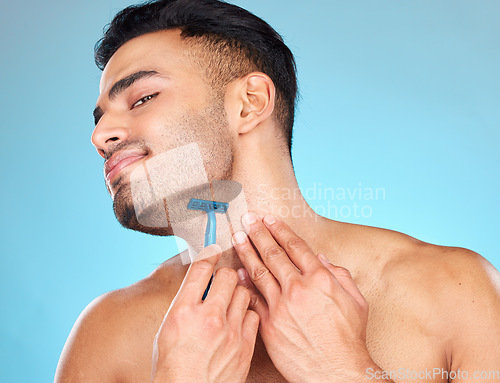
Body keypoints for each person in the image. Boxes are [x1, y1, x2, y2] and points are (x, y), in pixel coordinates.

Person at [55, 0, 500, 382]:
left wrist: (341, 369)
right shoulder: (108, 334)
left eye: (142, 98)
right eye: (99, 119)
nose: (101, 137)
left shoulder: (453, 292)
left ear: (250, 103)